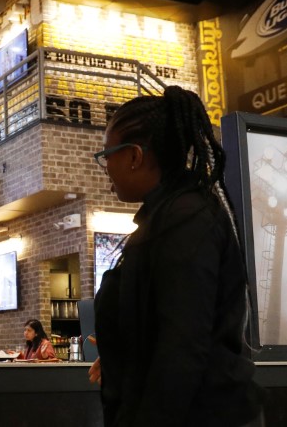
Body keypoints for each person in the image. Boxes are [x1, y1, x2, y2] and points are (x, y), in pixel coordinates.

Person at [88, 86, 264, 426]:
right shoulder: (169, 216)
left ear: (134, 156)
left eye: (107, 155)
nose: (106, 166)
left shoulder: (184, 221)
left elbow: (182, 347)